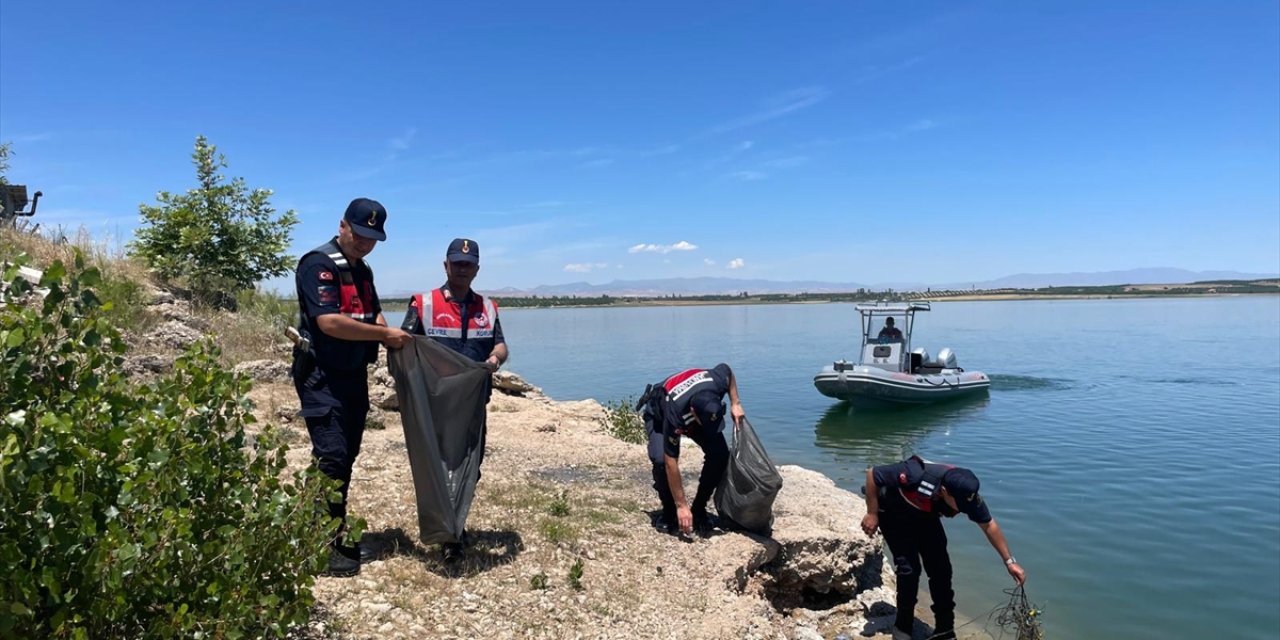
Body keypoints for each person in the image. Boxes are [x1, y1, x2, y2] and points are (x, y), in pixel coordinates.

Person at [292, 197, 413, 578]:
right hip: (322, 376)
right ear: (343, 225)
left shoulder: (363, 270)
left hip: (353, 375)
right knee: (331, 456)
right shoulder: (318, 264)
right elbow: (329, 322)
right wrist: (383, 334)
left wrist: (391, 337)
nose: (365, 243)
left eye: (372, 238)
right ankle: (320, 545)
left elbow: (372, 312)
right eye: (360, 234)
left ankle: (327, 531)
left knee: (345, 457)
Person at [400, 237, 508, 561]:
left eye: (468, 264)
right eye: (456, 263)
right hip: (434, 403)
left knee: (469, 467)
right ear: (445, 265)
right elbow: (404, 343)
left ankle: (454, 527)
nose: (462, 269)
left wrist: (494, 361)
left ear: (477, 268)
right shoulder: (423, 303)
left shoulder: (487, 308)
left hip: (474, 404)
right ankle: (448, 534)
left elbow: (501, 346)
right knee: (438, 465)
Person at [861, 456, 1027, 640]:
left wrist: (1009, 562)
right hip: (893, 512)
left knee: (941, 570)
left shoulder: (967, 493)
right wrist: (872, 513)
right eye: (961, 506)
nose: (965, 510)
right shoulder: (914, 474)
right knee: (909, 570)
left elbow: (989, 525)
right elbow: (872, 474)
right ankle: (903, 626)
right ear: (945, 491)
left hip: (924, 515)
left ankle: (945, 629)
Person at [642, 364, 745, 536]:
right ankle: (669, 512)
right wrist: (681, 505)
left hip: (697, 413)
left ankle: (699, 509)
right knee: (660, 460)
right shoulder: (674, 411)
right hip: (660, 416)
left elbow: (727, 370)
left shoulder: (717, 382)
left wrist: (735, 403)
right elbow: (670, 462)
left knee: (719, 455)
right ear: (693, 414)